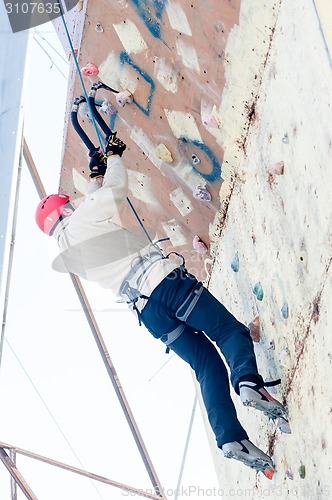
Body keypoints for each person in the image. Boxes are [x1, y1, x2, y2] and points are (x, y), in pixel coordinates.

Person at [35, 83, 288, 477]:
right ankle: (249, 383)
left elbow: (96, 204)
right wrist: (115, 157)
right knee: (228, 332)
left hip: (150, 315)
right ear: (65, 211)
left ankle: (229, 437)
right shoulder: (82, 220)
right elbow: (113, 192)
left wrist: (96, 173)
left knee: (206, 366)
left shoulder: (71, 254)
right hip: (166, 285)